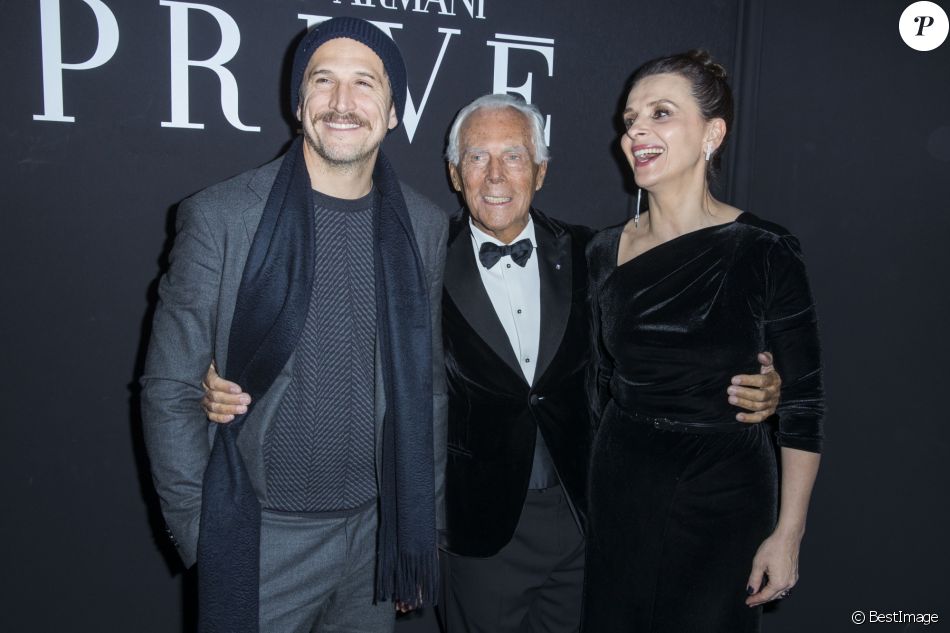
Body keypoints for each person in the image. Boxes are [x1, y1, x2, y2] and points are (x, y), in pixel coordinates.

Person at [205, 93, 782, 633]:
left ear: (541, 170)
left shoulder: (596, 253)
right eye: (477, 157)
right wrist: (231, 377)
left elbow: (654, 349)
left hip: (586, 517)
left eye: (514, 156)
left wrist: (756, 384)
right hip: (476, 526)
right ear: (455, 174)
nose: (497, 175)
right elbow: (362, 356)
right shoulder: (421, 260)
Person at [140, 17, 447, 633]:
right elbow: (169, 390)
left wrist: (420, 530)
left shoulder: (425, 224)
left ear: (392, 112)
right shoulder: (222, 216)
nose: (341, 102)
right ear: (299, 101)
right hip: (259, 536)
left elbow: (429, 387)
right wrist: (206, 532)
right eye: (322, 80)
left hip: (375, 533)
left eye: (365, 83)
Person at [582, 50, 824, 632]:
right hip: (623, 482)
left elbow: (803, 406)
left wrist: (787, 535)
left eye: (661, 114)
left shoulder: (764, 249)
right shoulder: (600, 252)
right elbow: (597, 378)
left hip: (725, 491)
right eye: (630, 118)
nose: (635, 130)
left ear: (712, 133)